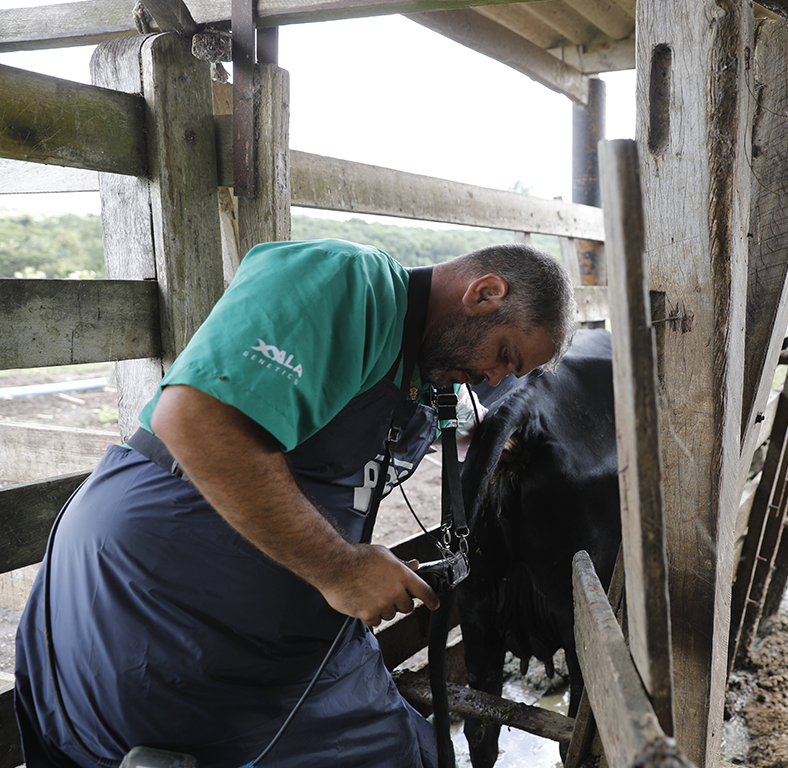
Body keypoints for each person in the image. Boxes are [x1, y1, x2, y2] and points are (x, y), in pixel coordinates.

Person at [14, 239, 578, 768]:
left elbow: (416, 427)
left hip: (285, 625)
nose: (491, 378)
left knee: (420, 752)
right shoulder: (350, 282)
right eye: (504, 354)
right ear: (485, 293)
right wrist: (341, 568)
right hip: (159, 599)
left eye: (511, 373)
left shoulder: (427, 372)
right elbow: (193, 418)